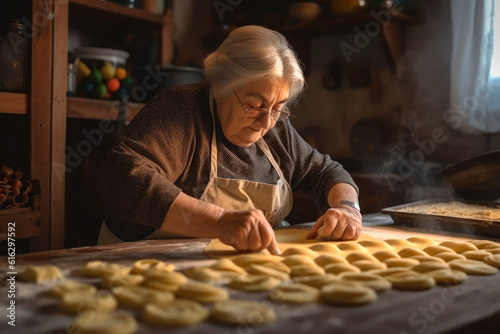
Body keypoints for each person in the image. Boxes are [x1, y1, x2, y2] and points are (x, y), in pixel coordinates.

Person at [95, 25, 362, 255]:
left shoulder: (276, 126)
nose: (267, 122)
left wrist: (347, 208)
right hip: (146, 266)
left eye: (279, 107)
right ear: (222, 88)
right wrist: (219, 221)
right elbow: (122, 176)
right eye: (254, 105)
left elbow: (326, 172)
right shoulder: (181, 110)